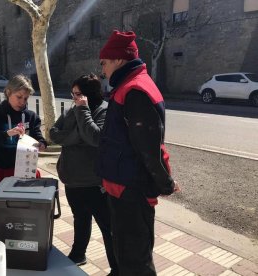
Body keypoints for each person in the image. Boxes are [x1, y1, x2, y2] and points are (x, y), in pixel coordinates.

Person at [97, 30, 180, 275]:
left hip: (131, 190)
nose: (102, 70)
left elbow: (149, 149)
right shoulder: (128, 86)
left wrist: (165, 183)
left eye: (104, 63)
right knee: (127, 254)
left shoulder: (135, 90)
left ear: (118, 60)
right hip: (123, 187)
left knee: (135, 260)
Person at [49, 74, 118, 275]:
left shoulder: (104, 110)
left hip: (96, 183)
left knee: (108, 228)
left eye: (78, 94)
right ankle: (78, 253)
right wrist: (76, 136)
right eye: (73, 94)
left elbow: (95, 138)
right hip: (72, 180)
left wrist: (82, 111)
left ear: (89, 94)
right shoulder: (71, 110)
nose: (74, 98)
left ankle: (117, 268)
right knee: (80, 220)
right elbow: (53, 133)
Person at [0, 74, 47, 188]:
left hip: (27, 168)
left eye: (26, 98)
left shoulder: (31, 117)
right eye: (19, 97)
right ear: (8, 93)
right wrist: (7, 134)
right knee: (4, 201)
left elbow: (37, 135)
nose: (22, 101)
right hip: (3, 167)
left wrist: (42, 143)